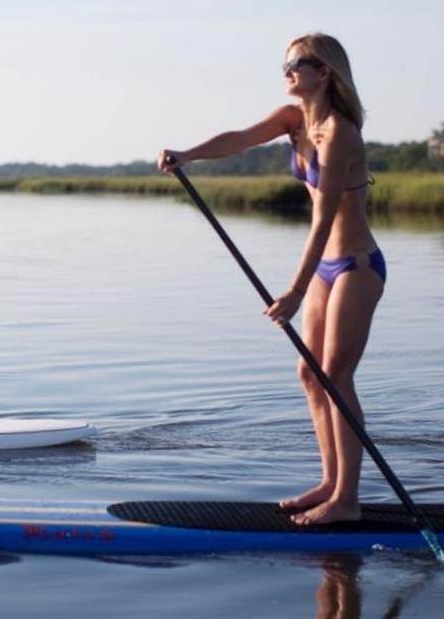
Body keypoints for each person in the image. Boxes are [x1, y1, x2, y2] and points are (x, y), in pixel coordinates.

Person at [158, 33, 384, 525]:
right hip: (325, 267)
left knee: (337, 376)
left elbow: (323, 221)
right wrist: (188, 155)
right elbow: (238, 140)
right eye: (284, 63)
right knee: (310, 373)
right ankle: (329, 482)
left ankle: (347, 501)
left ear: (324, 72)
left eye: (296, 63)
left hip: (356, 266)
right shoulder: (293, 121)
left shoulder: (339, 134)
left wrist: (296, 290)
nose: (286, 71)